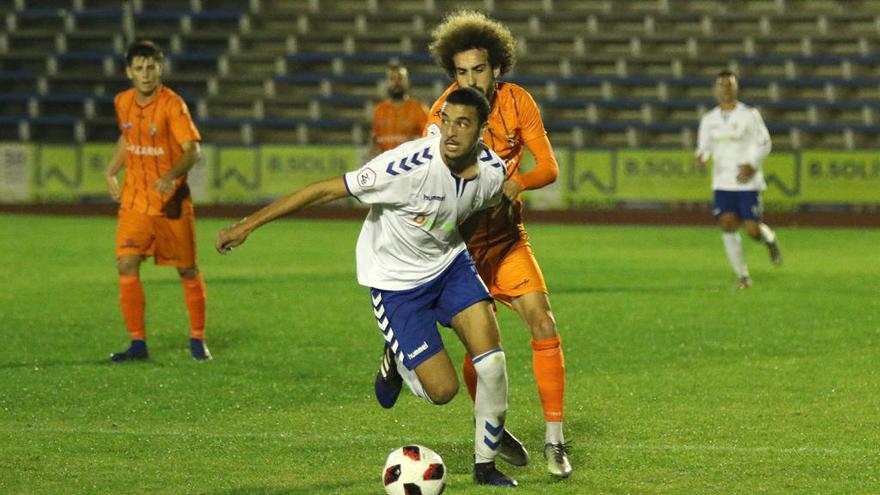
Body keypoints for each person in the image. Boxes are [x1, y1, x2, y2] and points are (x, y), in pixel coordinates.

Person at [217, 88, 519, 487]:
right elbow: (324, 189)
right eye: (445, 120)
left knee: (492, 362)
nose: (450, 131)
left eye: (462, 123)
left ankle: (485, 467)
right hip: (396, 284)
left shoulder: (493, 171)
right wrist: (246, 225)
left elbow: (479, 208)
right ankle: (397, 359)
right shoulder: (407, 167)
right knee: (443, 391)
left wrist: (465, 243)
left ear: (482, 131)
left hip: (450, 265)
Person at [415, 9, 572, 478]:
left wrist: (517, 182)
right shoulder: (442, 115)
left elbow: (549, 167)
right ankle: (493, 428)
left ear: (497, 67)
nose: (472, 79)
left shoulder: (518, 102)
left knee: (542, 321)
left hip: (506, 241)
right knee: (479, 351)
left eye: (479, 69)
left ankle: (555, 442)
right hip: (458, 252)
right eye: (462, 72)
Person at [104, 40, 210, 361]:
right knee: (126, 263)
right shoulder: (122, 102)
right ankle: (137, 343)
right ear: (128, 71)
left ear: (159, 68)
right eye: (139, 68)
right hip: (136, 200)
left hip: (171, 203)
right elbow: (128, 136)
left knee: (187, 270)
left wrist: (170, 177)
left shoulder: (173, 105)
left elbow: (193, 150)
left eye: (151, 66)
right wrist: (111, 171)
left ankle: (197, 339)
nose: (146, 73)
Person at [695, 70, 782, 289]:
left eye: (729, 85)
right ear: (715, 89)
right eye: (722, 85)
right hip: (722, 181)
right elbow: (704, 147)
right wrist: (701, 158)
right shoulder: (709, 120)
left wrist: (752, 165)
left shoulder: (749, 115)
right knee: (727, 224)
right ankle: (742, 276)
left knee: (752, 230)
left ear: (736, 89)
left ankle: (769, 239)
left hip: (746, 182)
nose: (725, 88)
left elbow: (764, 143)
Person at [369, 61, 430, 156]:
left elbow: (428, 140)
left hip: (410, 165)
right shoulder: (379, 110)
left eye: (400, 78)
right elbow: (375, 140)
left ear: (407, 82)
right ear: (387, 82)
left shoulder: (420, 110)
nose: (396, 82)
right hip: (384, 165)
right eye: (392, 79)